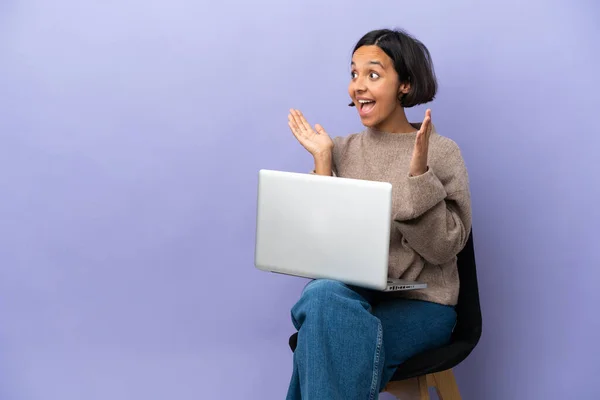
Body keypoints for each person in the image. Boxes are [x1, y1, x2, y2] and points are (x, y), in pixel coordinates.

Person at [285, 28, 472, 399]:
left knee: (323, 335)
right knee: (323, 296)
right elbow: (323, 253)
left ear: (405, 84)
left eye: (373, 74)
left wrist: (419, 177)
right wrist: (324, 163)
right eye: (353, 74)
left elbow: (442, 250)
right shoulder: (341, 149)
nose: (358, 86)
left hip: (423, 305)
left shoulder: (441, 151)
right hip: (353, 296)